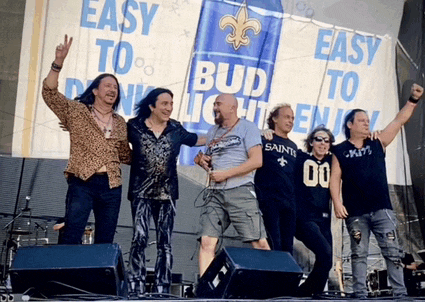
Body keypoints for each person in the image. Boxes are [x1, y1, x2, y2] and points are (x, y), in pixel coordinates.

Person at [330, 83, 424, 299]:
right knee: (358, 254)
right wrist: (337, 202)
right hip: (355, 212)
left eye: (367, 121)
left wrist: (413, 100)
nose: (366, 124)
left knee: (392, 253)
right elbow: (334, 179)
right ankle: (360, 295)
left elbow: (399, 121)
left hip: (382, 209)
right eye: (361, 121)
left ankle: (400, 294)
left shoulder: (377, 141)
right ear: (350, 124)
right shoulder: (340, 150)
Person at [41, 35, 131, 244]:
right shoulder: (77, 111)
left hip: (111, 184)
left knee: (105, 239)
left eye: (115, 88)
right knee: (72, 233)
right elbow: (49, 93)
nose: (112, 90)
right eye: (107, 85)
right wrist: (58, 63)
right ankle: (65, 276)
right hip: (82, 181)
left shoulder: (120, 122)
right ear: (95, 90)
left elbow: (125, 155)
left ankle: (99, 277)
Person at [126, 88, 206, 296]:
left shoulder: (176, 128)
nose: (169, 108)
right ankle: (136, 286)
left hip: (167, 194)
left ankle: (162, 288)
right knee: (139, 238)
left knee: (165, 243)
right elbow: (112, 138)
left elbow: (197, 139)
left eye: (171, 104)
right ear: (152, 106)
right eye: (164, 104)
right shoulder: (133, 126)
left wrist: (228, 131)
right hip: (141, 192)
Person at [194, 93, 270, 277]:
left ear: (232, 107)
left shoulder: (247, 127)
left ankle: (269, 287)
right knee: (207, 242)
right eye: (214, 104)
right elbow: (214, 161)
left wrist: (225, 174)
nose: (214, 107)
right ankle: (206, 291)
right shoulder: (213, 131)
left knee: (259, 243)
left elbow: (257, 161)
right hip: (215, 193)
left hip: (241, 190)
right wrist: (202, 161)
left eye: (218, 104)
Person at [294, 126, 334, 297]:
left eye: (327, 140)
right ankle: (304, 292)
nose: (323, 143)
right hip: (304, 217)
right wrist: (267, 134)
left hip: (324, 218)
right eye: (319, 139)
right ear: (310, 142)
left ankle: (312, 293)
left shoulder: (333, 160)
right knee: (324, 252)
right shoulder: (299, 157)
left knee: (327, 259)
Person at [254, 104, 297, 253]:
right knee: (273, 243)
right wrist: (260, 132)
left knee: (287, 247)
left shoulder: (294, 146)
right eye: (286, 117)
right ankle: (270, 276)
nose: (290, 121)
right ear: (274, 119)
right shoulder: (264, 139)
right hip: (268, 200)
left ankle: (284, 277)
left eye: (292, 118)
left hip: (289, 202)